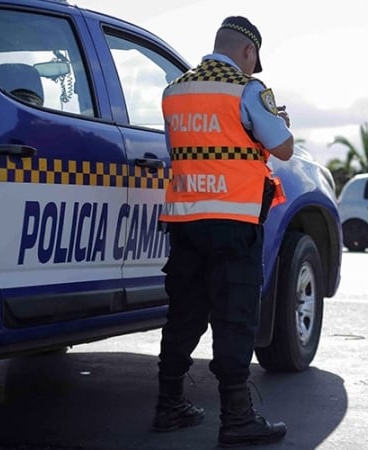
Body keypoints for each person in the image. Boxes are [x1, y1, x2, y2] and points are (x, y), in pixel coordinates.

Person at [153, 16, 293, 448]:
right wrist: (278, 118)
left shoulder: (173, 90)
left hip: (185, 220)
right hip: (233, 223)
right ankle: (237, 418)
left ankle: (168, 405)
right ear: (248, 52)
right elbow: (283, 148)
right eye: (253, 61)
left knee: (184, 314)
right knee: (234, 317)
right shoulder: (247, 90)